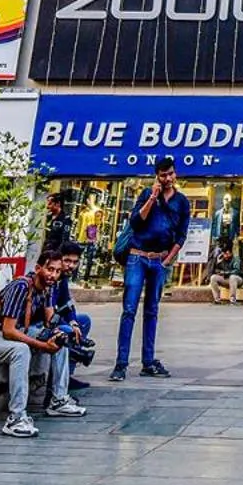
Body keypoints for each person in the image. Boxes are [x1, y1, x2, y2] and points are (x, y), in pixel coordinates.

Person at [0, 248, 87, 437]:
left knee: (59, 339)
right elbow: (8, 330)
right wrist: (41, 345)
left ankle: (58, 400)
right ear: (39, 268)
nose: (53, 275)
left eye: (57, 271)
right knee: (21, 350)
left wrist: (62, 332)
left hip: (14, 332)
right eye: (50, 269)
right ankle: (16, 418)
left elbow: (50, 320)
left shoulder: (49, 287)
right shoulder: (21, 287)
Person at [111, 156, 189, 381]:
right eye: (163, 175)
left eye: (171, 174)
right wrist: (152, 197)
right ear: (157, 176)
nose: (168, 178)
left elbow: (181, 235)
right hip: (137, 257)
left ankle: (148, 361)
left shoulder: (182, 202)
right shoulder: (147, 194)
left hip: (159, 261)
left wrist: (167, 261)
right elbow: (136, 222)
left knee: (152, 311)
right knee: (129, 310)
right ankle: (121, 363)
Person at [50, 240, 95, 388]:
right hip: (44, 322)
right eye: (67, 261)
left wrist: (73, 322)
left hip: (56, 318)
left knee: (83, 321)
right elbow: (48, 313)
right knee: (69, 332)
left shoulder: (63, 279)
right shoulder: (52, 276)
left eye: (75, 262)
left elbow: (66, 303)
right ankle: (59, 382)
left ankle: (68, 375)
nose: (71, 265)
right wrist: (67, 325)